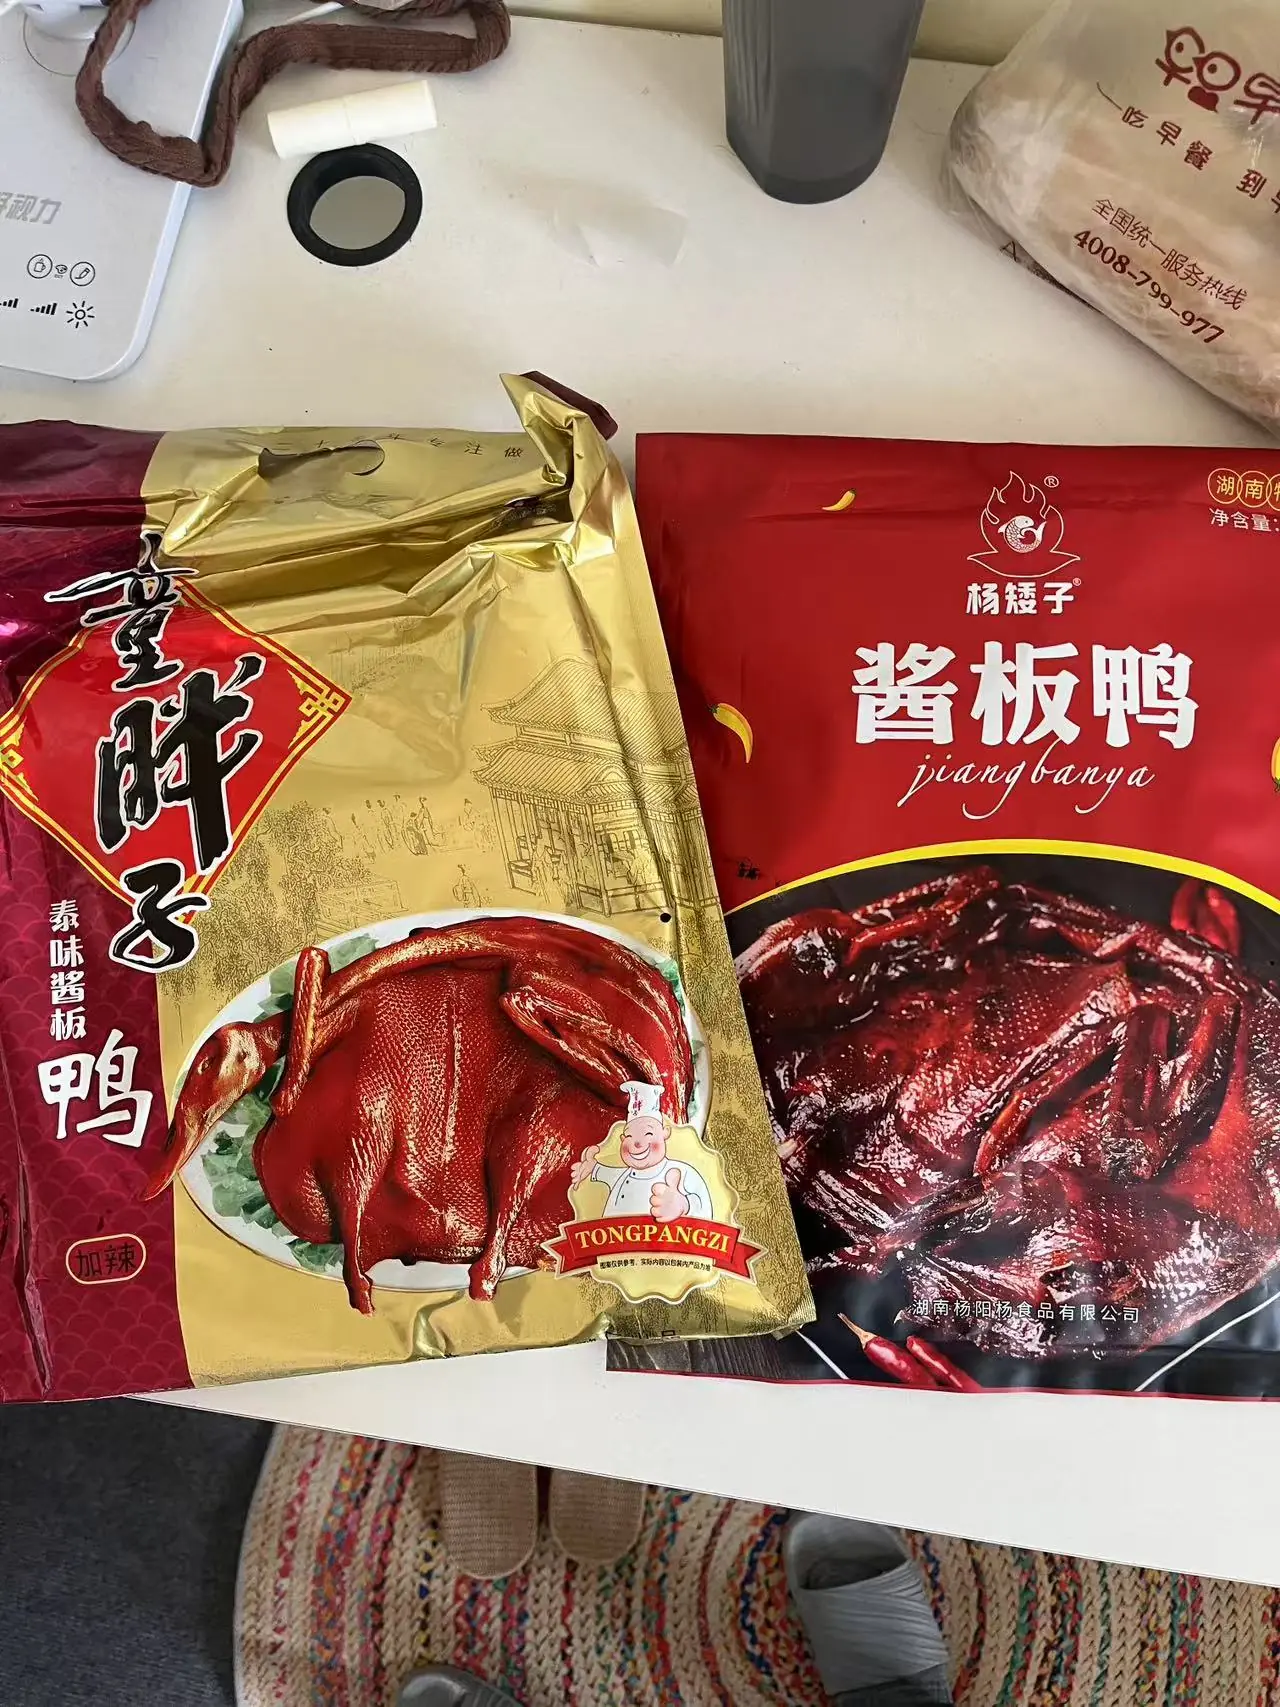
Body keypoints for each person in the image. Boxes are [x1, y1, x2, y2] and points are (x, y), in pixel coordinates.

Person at [571, 1081, 710, 1221]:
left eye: (648, 1133)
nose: (637, 1143)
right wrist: (593, 1168)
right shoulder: (623, 1175)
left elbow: (703, 1203)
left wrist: (684, 1204)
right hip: (614, 1234)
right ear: (622, 1139)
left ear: (665, 1133)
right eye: (629, 1136)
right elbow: (608, 1173)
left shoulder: (682, 1171)